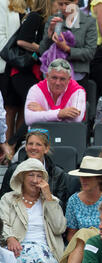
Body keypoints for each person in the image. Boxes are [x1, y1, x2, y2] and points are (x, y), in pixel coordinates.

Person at [0, 158, 66, 263]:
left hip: (45, 250)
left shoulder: (51, 201)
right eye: (31, 175)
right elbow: (3, 222)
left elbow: (59, 228)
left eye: (39, 176)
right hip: (15, 247)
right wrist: (10, 237)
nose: (35, 180)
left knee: (36, 259)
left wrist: (49, 199)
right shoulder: (8, 199)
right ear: (22, 177)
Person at [58, 155, 102, 263]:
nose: (83, 180)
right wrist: (87, 242)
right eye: (82, 176)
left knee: (84, 232)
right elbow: (71, 233)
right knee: (83, 234)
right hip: (82, 245)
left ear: (100, 178)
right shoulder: (74, 200)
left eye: (88, 177)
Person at [7, 0, 53, 152]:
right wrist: (42, 49)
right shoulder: (35, 16)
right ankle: (10, 145)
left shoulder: (42, 19)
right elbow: (21, 41)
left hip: (31, 72)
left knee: (27, 111)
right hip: (23, 72)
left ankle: (15, 145)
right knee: (33, 111)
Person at [0, 129, 69, 212]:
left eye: (38, 144)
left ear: (46, 148)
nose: (33, 148)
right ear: (25, 147)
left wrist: (48, 196)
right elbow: (3, 201)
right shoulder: (13, 170)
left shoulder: (58, 174)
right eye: (30, 144)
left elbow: (62, 209)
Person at [39, 0, 97, 92]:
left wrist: (67, 49)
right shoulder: (53, 20)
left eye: (67, 4)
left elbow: (90, 53)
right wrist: (49, 35)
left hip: (78, 76)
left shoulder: (89, 22)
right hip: (54, 78)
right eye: (60, 4)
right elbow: (42, 51)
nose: (63, 8)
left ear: (76, 2)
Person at [24, 58, 86, 126]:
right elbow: (29, 119)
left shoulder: (78, 91)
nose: (57, 83)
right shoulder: (35, 89)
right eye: (54, 78)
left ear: (69, 79)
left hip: (67, 132)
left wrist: (44, 111)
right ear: (47, 76)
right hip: (42, 131)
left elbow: (76, 119)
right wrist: (60, 114)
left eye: (62, 79)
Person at [0, 0, 24, 144]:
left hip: (25, 65)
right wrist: (15, 57)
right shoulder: (3, 3)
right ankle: (5, 147)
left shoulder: (31, 5)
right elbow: (1, 37)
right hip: (8, 64)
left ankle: (16, 149)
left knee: (23, 106)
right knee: (9, 108)